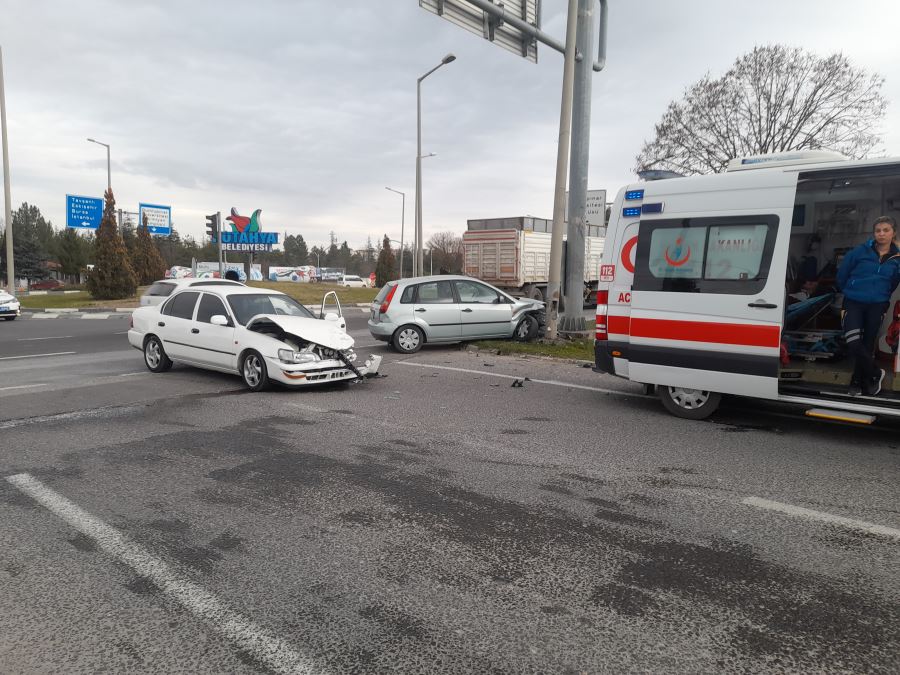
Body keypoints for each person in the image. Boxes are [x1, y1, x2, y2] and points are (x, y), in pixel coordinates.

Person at [836, 216, 900, 396]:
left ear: (893, 233)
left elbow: (894, 281)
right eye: (878, 230)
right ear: (874, 233)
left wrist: (882, 294)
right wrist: (850, 289)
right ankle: (875, 372)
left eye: (886, 230)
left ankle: (857, 381)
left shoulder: (897, 258)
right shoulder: (860, 252)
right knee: (853, 341)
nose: (881, 234)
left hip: (877, 304)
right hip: (854, 301)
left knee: (867, 343)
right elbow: (842, 274)